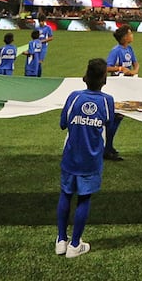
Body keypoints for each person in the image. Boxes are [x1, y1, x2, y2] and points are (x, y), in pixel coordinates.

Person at [56, 58, 114, 259]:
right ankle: (74, 245)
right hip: (91, 158)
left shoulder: (73, 97)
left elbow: (63, 123)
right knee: (84, 198)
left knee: (65, 194)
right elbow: (109, 124)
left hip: (71, 155)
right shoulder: (107, 101)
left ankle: (61, 240)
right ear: (104, 80)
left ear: (85, 77)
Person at [104, 26, 139, 161]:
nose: (132, 35)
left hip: (127, 86)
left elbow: (136, 64)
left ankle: (109, 147)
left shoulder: (129, 49)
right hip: (117, 88)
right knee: (114, 118)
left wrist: (134, 71)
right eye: (130, 33)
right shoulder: (116, 51)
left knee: (119, 118)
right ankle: (107, 149)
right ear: (125, 37)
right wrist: (120, 68)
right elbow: (107, 67)